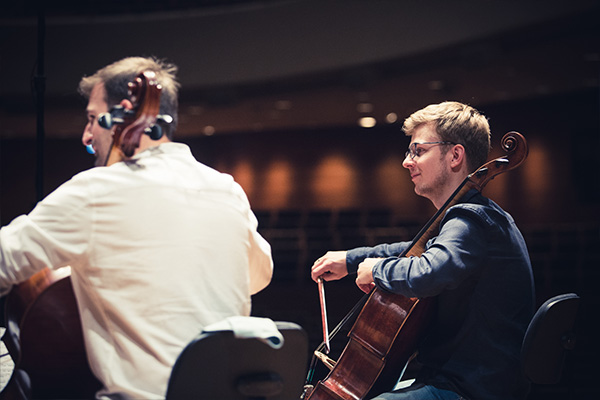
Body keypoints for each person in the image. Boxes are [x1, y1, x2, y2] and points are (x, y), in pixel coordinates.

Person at [0, 56, 273, 398]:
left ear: (124, 112)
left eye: (91, 119)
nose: (86, 134)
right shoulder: (227, 189)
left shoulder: (96, 191)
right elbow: (259, 276)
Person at [311, 101, 534, 400]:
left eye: (418, 150)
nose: (406, 161)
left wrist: (376, 270)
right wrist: (351, 260)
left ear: (455, 155)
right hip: (455, 380)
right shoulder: (472, 219)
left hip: (474, 389)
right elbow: (410, 250)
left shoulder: (471, 219)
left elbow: (431, 269)